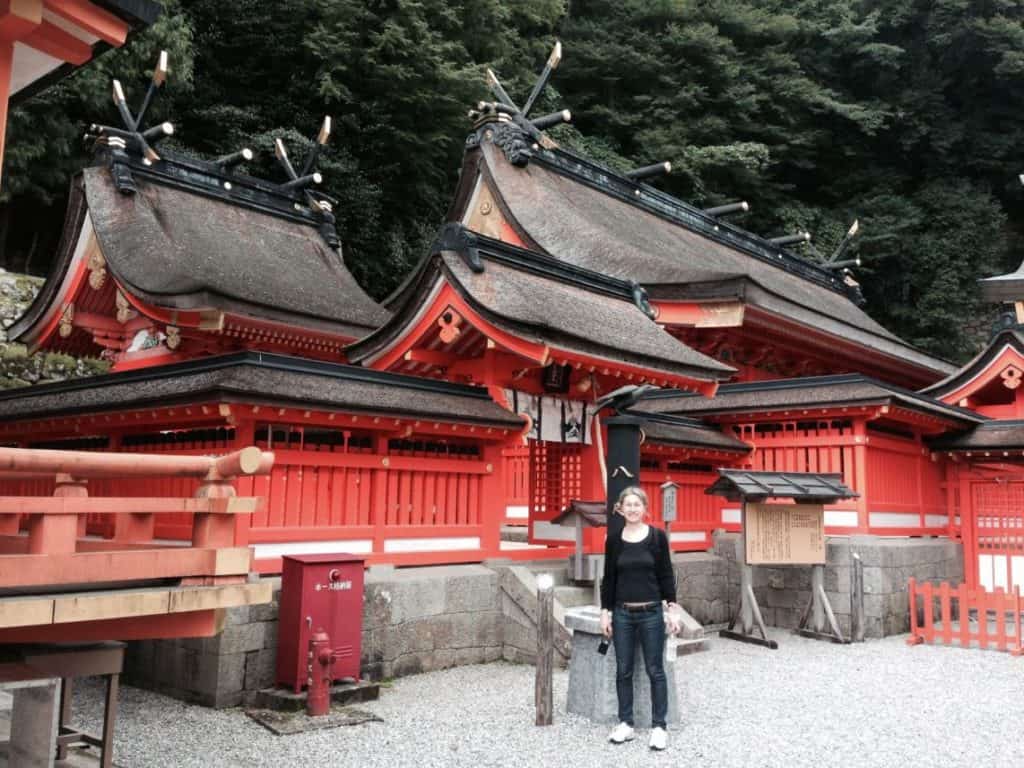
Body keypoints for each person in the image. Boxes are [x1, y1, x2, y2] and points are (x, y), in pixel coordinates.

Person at [600, 486, 680, 750]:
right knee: (623, 670)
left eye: (637, 504)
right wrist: (605, 612)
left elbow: (666, 575)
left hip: (651, 614)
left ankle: (659, 726)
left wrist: (672, 607)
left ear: (645, 508)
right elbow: (609, 579)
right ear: (620, 509)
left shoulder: (657, 537)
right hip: (622, 613)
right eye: (628, 504)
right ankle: (626, 723)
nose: (633, 509)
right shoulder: (613, 540)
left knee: (655, 670)